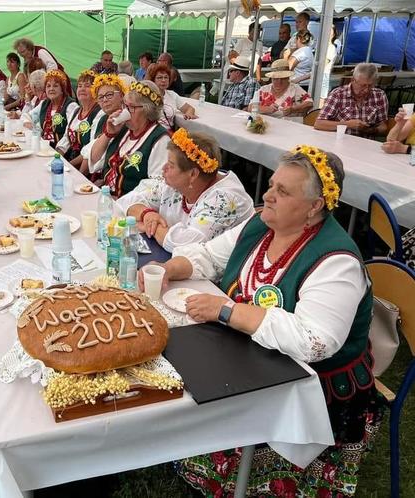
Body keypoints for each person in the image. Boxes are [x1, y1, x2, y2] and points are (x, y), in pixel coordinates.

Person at [139, 146, 384, 497]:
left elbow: (314, 341)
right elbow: (210, 256)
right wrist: (168, 268)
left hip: (310, 386)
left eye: (283, 192)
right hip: (252, 353)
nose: (267, 195)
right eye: (271, 184)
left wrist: (226, 311)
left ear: (315, 206)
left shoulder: (336, 261)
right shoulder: (261, 223)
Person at [117, 129, 253, 251]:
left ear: (193, 174)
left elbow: (187, 244)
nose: (163, 168)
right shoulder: (175, 183)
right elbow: (127, 200)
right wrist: (147, 214)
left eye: (170, 165)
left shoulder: (224, 199)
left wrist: (151, 227)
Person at [90, 80, 170, 197]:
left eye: (131, 107)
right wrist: (108, 134)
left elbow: (156, 187)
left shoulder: (159, 138)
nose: (125, 111)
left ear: (148, 110)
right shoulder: (124, 129)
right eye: (125, 106)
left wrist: (119, 200)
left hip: (129, 208)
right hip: (106, 198)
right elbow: (93, 158)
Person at [314, 63, 388, 138]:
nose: (366, 90)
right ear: (352, 80)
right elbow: (319, 124)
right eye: (363, 85)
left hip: (366, 143)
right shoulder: (338, 94)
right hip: (340, 141)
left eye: (370, 86)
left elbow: (383, 126)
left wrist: (372, 130)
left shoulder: (379, 95)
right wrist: (347, 124)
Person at [81, 73, 128, 175]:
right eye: (101, 97)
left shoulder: (128, 120)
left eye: (109, 95)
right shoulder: (103, 119)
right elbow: (92, 156)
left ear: (121, 95)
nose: (105, 100)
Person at [56, 70, 102, 168]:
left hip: (85, 166)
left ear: (96, 90)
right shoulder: (76, 111)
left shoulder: (99, 114)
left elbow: (91, 149)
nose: (82, 89)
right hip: (69, 160)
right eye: (80, 86)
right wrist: (56, 158)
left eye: (87, 86)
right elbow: (65, 139)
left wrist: (68, 165)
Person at [24, 69, 78, 149]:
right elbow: (26, 116)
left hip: (62, 152)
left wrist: (60, 150)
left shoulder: (70, 106)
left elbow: (70, 132)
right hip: (44, 147)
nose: (51, 89)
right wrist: (29, 123)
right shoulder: (45, 103)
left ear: (62, 89)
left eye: (55, 86)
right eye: (48, 86)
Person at [148, 63, 197, 132]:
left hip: (168, 133)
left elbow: (189, 108)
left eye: (166, 77)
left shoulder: (172, 95)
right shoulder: (147, 95)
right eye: (159, 77)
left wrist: (189, 114)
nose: (163, 80)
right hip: (152, 133)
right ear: (153, 80)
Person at [321, 26, 340, 100]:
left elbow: (323, 64)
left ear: (333, 34)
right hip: (322, 75)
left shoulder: (331, 48)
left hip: (323, 75)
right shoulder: (323, 46)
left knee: (321, 100)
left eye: (330, 32)